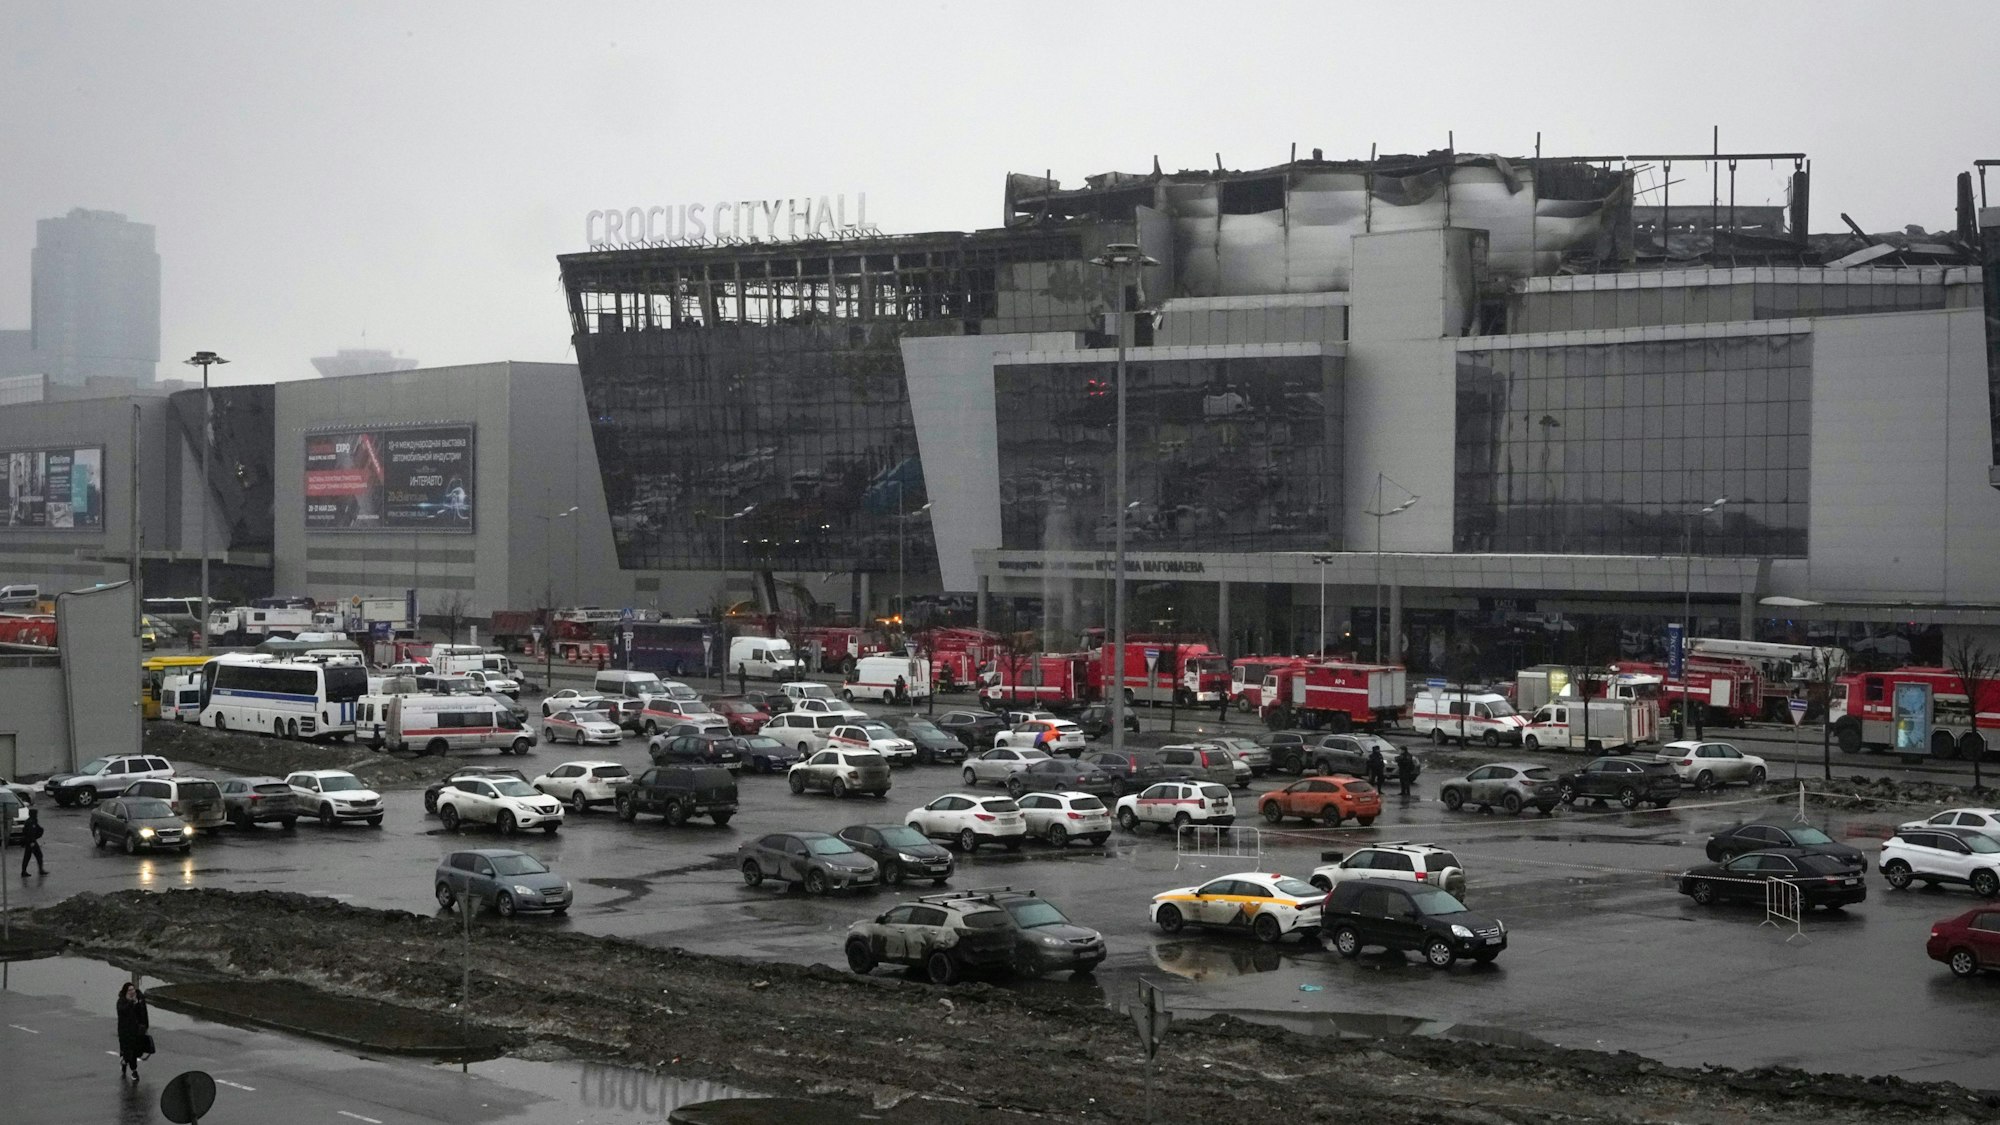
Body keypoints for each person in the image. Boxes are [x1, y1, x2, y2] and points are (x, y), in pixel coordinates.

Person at [116, 982, 150, 1081]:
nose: (132, 992)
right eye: (129, 990)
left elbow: (143, 1014)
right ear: (125, 991)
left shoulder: (139, 1000)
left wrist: (145, 1026)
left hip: (136, 1031)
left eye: (133, 990)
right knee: (128, 1052)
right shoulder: (121, 1002)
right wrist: (131, 1003)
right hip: (125, 1032)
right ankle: (124, 1061)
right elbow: (122, 1011)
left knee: (134, 1052)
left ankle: (134, 1071)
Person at [16, 807, 44, 877]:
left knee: (30, 856)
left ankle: (25, 871)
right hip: (30, 842)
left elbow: (37, 829)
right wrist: (32, 841)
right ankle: (38, 870)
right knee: (34, 855)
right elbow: (29, 833)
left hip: (31, 841)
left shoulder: (33, 821)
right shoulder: (30, 822)